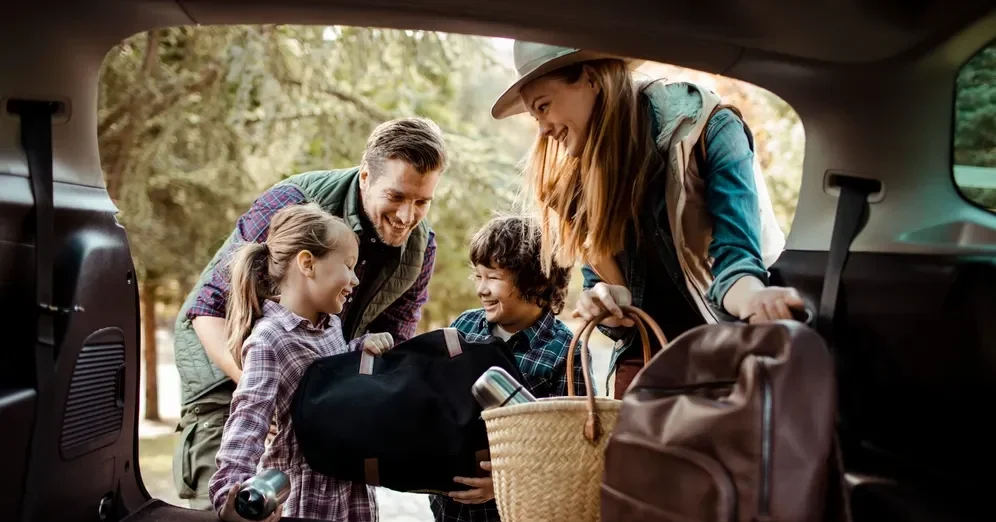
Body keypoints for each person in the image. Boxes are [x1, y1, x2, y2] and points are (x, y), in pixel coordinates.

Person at [491, 41, 805, 398]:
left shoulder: (709, 129)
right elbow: (614, 299)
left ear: (590, 79)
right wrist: (605, 301)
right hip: (649, 369)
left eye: (544, 107)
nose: (544, 129)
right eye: (536, 117)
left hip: (726, 352)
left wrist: (757, 302)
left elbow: (737, 265)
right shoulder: (576, 188)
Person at [172, 117, 447, 509]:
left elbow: (390, 351)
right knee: (232, 506)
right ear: (366, 176)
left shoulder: (421, 248)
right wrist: (269, 397)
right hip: (228, 375)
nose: (407, 216)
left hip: (315, 388)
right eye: (397, 196)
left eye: (422, 202)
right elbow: (207, 308)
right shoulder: (293, 200)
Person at [209, 203, 394, 521]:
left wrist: (361, 348)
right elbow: (248, 422)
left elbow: (332, 378)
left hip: (351, 493)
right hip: (307, 500)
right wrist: (230, 494)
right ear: (308, 263)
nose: (355, 280)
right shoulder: (270, 339)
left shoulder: (331, 325)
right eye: (348, 266)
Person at [429, 214, 591, 522]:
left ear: (537, 281)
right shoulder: (464, 327)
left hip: (512, 511)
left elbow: (573, 450)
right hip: (450, 511)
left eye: (493, 277)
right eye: (477, 276)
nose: (481, 289)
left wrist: (502, 485)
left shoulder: (567, 353)